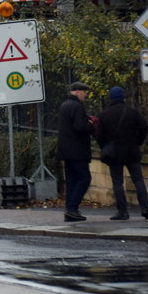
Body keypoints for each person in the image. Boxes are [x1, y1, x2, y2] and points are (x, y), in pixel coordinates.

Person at [96, 86, 148, 221]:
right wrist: (137, 142)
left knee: (117, 182)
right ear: (123, 97)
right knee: (138, 179)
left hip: (114, 154)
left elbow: (99, 135)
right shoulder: (132, 112)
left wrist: (106, 147)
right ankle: (145, 208)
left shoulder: (104, 114)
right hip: (132, 151)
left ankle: (122, 212)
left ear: (110, 98)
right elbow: (144, 127)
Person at [57, 81, 96, 221]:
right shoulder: (76, 106)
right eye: (84, 92)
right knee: (85, 178)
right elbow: (80, 126)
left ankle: (70, 211)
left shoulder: (64, 105)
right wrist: (90, 124)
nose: (85, 95)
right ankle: (73, 207)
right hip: (78, 150)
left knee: (72, 180)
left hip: (66, 150)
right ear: (78, 91)